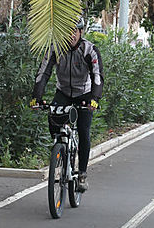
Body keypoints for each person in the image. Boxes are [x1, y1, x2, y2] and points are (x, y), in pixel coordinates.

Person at [32, 18, 103, 192]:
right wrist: (37, 97)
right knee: (53, 118)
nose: (71, 35)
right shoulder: (55, 48)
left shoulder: (89, 50)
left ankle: (82, 174)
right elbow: (43, 72)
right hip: (63, 92)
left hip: (84, 94)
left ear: (80, 32)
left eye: (74, 31)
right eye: (66, 31)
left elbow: (97, 75)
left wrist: (94, 98)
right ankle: (60, 149)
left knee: (84, 131)